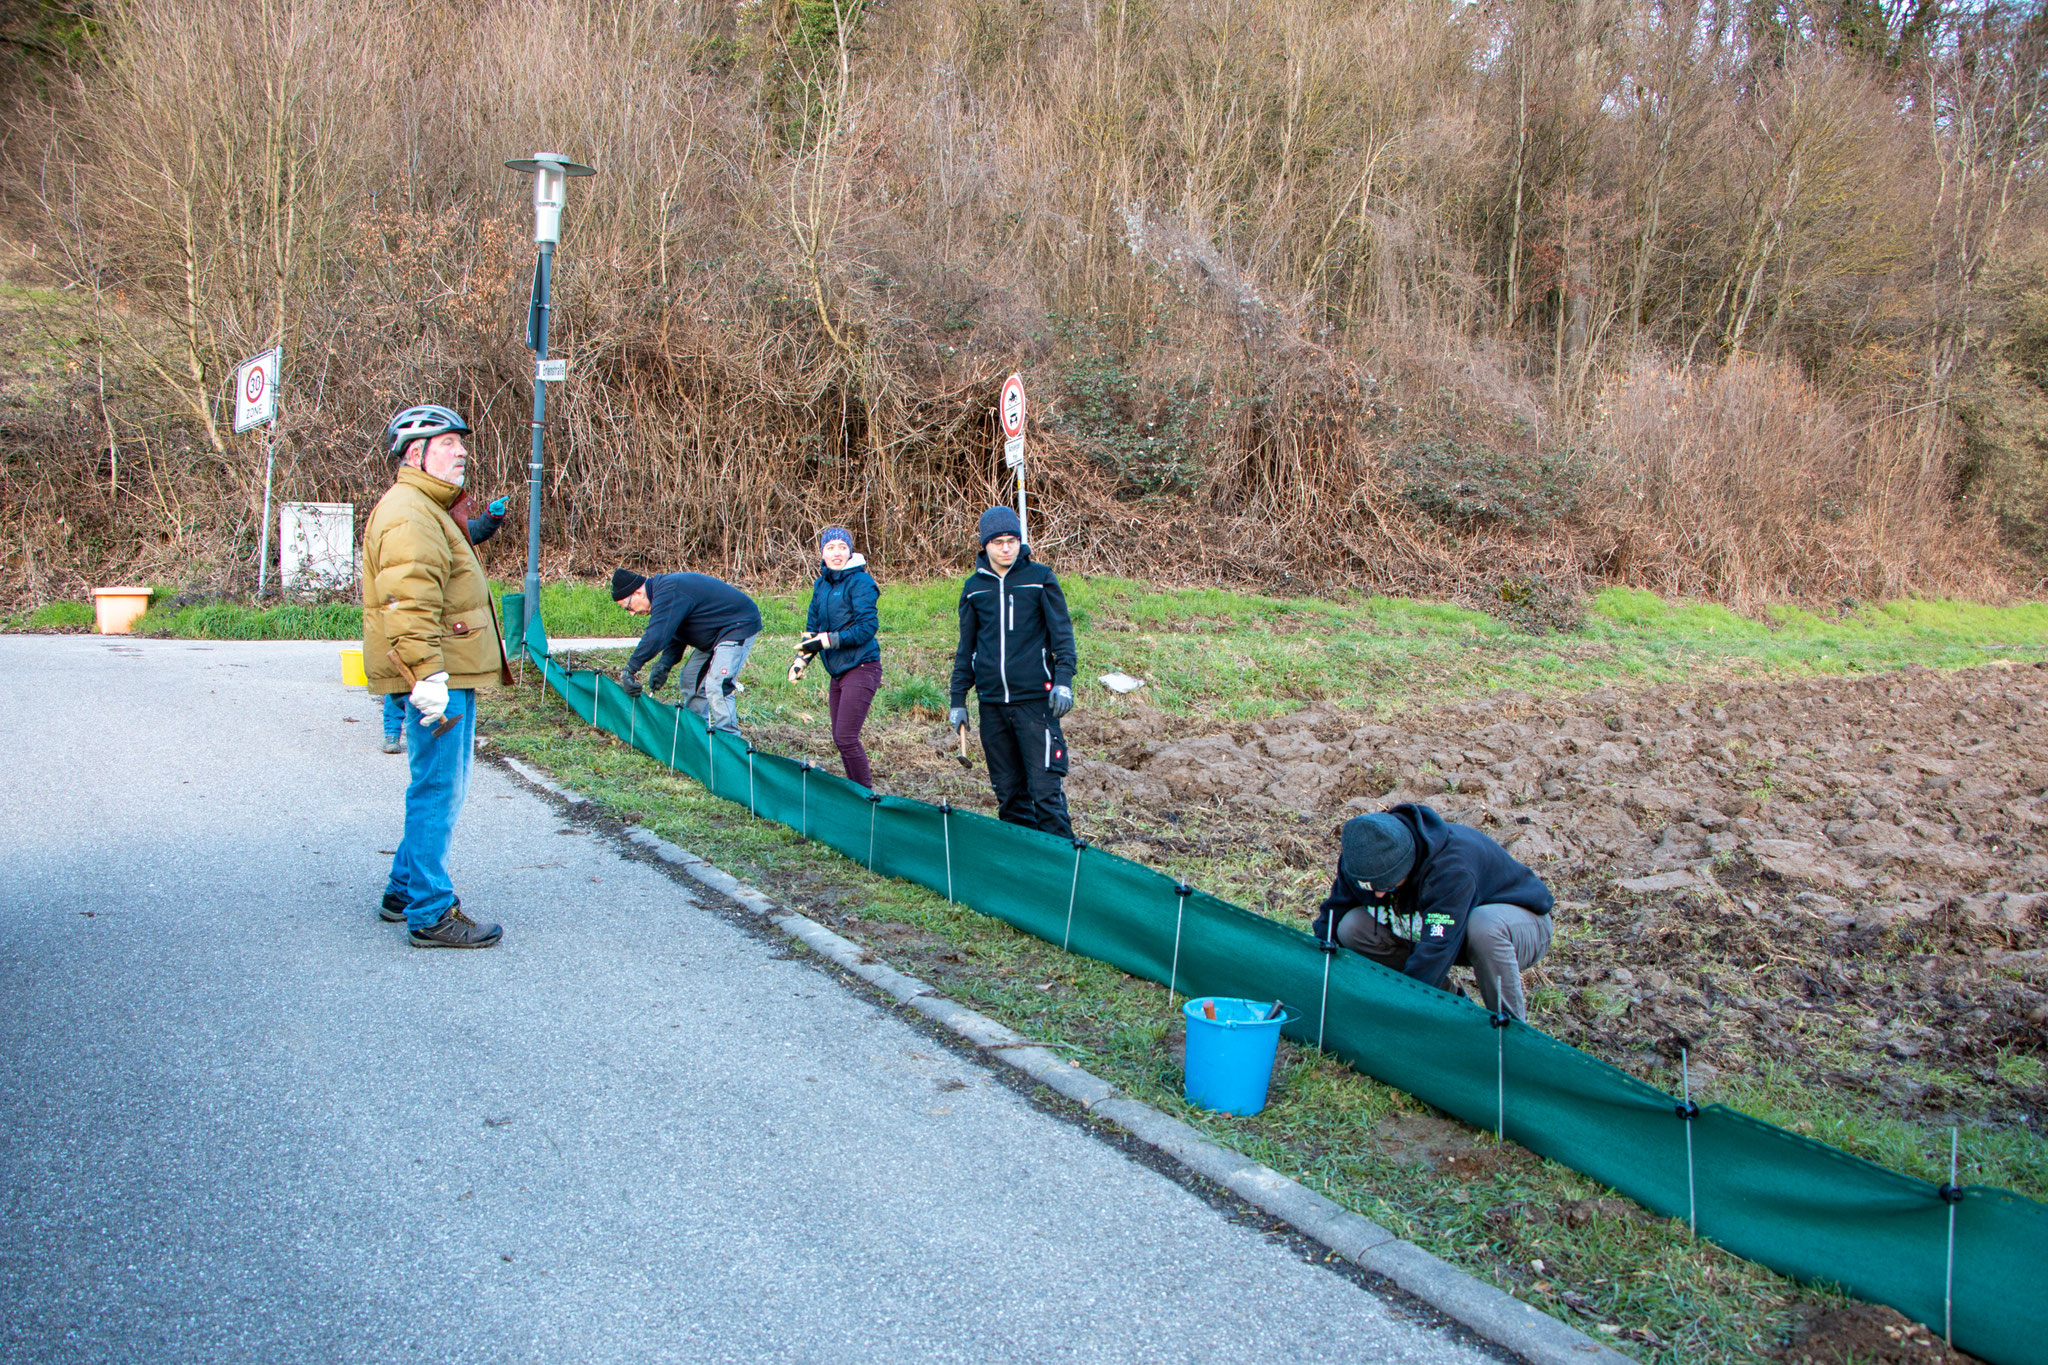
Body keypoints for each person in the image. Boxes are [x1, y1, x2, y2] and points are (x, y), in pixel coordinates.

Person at [362, 403, 507, 948]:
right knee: (439, 789)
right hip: (436, 678)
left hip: (446, 671)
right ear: (415, 454)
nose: (462, 451)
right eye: (448, 443)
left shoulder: (423, 506)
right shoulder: (411, 512)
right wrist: (427, 677)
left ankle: (402, 891)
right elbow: (406, 601)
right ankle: (430, 913)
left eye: (461, 443)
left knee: (434, 785)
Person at [1310, 804, 1555, 1020]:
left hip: (1519, 927)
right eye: (1370, 886)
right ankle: (1454, 1008)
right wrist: (1313, 964)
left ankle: (1509, 1034)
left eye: (1387, 885)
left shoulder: (1452, 869)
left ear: (1407, 864)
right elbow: (1334, 913)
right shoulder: (1361, 857)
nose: (1379, 895)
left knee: (1484, 926)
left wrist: (1400, 1008)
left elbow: (1436, 950)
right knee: (1352, 927)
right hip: (1439, 930)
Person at [947, 506, 1076, 837]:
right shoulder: (974, 588)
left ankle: (1063, 870)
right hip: (992, 706)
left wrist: (1063, 682)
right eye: (999, 542)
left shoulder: (1040, 579)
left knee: (1046, 795)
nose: (1006, 548)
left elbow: (1063, 635)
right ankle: (1026, 871)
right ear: (985, 545)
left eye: (1013, 540)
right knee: (1009, 796)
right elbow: (967, 648)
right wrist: (958, 699)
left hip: (1036, 704)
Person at [382, 495, 508, 754]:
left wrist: (491, 518)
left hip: (445, 618)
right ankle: (392, 733)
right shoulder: (409, 524)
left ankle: (417, 730)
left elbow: (475, 531)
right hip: (411, 611)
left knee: (428, 677)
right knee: (399, 682)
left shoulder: (449, 525)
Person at [612, 567, 762, 734]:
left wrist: (630, 669)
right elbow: (675, 634)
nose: (631, 613)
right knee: (690, 680)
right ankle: (697, 734)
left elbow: (656, 636)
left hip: (737, 625)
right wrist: (664, 664)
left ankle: (729, 745)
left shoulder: (667, 591)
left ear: (638, 593)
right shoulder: (663, 595)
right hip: (714, 634)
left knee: (717, 685)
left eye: (627, 606)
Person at [799, 526, 883, 789]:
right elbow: (812, 628)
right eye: (830, 548)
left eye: (842, 547)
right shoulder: (821, 585)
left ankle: (866, 798)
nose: (837, 553)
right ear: (822, 553)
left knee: (846, 736)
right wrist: (801, 660)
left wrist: (829, 640)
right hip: (838, 669)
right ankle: (856, 791)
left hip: (862, 665)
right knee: (840, 737)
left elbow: (867, 628)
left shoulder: (861, 582)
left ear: (850, 551)